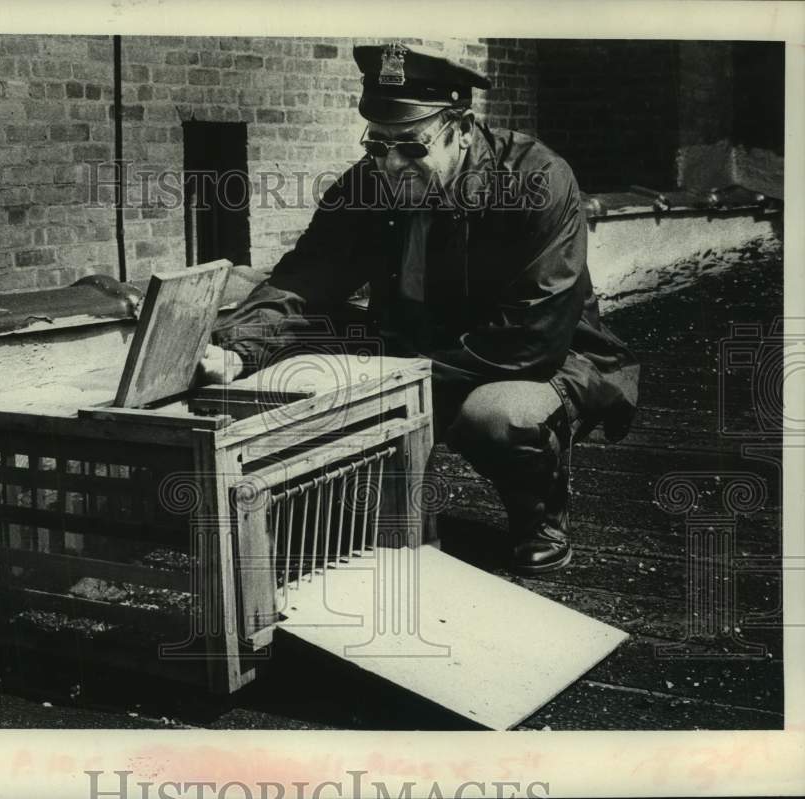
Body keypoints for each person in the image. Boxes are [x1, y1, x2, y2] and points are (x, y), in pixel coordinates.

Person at [200, 42, 639, 574]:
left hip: (539, 355)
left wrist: (398, 382)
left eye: (410, 145)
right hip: (414, 345)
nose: (391, 164)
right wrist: (237, 349)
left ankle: (539, 512)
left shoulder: (536, 180)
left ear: (460, 127)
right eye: (377, 145)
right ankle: (350, 512)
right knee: (293, 358)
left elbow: (532, 335)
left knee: (496, 417)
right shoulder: (368, 182)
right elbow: (305, 278)